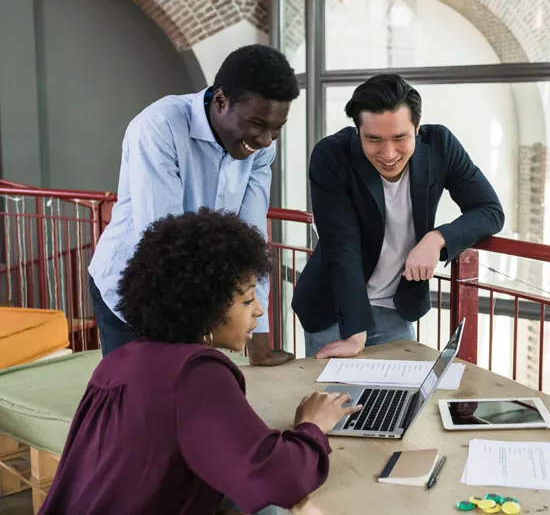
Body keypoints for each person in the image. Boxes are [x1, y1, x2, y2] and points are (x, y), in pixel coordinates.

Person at [40, 209, 361, 515]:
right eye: (247, 299)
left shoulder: (115, 363)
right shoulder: (195, 373)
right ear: (206, 306)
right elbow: (274, 480)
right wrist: (312, 427)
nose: (259, 311)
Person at [88, 44, 296, 366]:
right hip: (134, 285)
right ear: (221, 101)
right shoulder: (160, 126)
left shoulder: (259, 147)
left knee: (187, 392)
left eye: (276, 129)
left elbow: (252, 239)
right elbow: (161, 246)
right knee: (139, 398)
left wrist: (259, 333)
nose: (266, 141)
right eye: (257, 124)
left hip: (196, 295)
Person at [292, 74, 504, 359]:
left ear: (417, 127)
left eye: (400, 138)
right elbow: (342, 245)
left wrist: (437, 238)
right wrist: (355, 332)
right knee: (337, 401)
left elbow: (489, 210)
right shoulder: (331, 156)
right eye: (374, 140)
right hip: (336, 308)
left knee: (400, 399)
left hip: (396, 307)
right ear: (357, 132)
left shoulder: (440, 145)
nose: (388, 153)